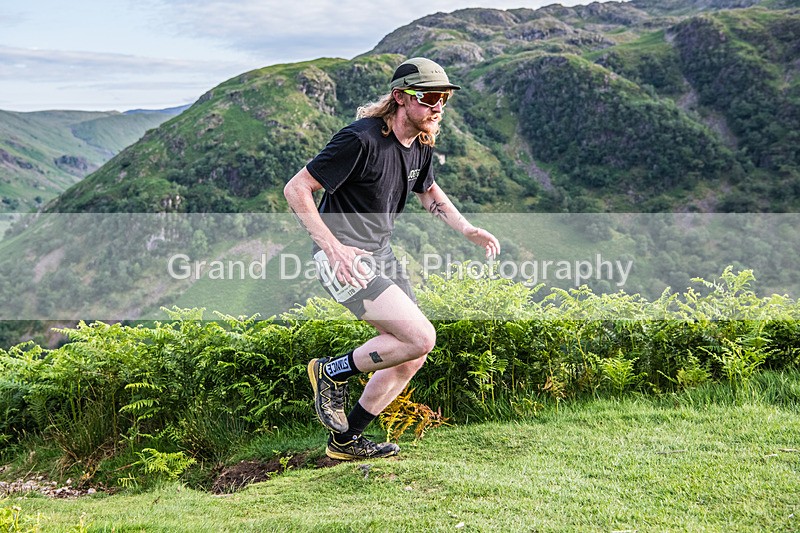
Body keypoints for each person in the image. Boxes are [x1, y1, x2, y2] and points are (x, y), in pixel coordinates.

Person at [283, 57, 500, 461]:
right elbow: (296, 189)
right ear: (400, 98)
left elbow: (430, 193)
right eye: (430, 97)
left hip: (381, 255)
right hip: (342, 258)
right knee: (421, 337)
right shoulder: (360, 139)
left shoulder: (420, 143)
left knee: (413, 354)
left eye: (444, 98)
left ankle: (345, 442)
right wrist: (333, 247)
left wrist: (468, 229)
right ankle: (329, 373)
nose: (438, 107)